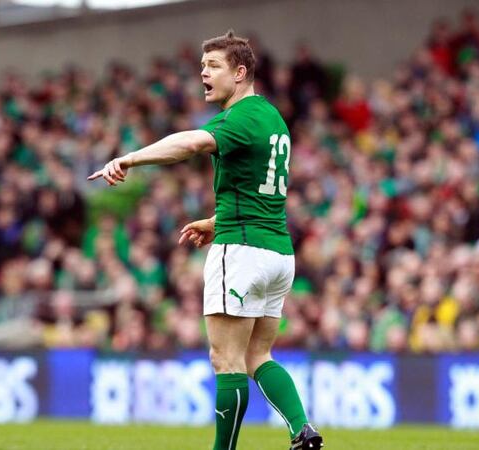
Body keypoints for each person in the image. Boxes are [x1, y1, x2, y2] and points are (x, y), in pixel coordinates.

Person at [88, 30, 323, 450]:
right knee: (258, 356)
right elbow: (260, 190)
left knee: (225, 360)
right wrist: (218, 220)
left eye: (213, 66)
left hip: (243, 250)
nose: (203, 74)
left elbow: (193, 142)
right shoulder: (272, 118)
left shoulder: (240, 117)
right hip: (278, 252)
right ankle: (301, 429)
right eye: (202, 67)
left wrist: (130, 157)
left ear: (241, 71)